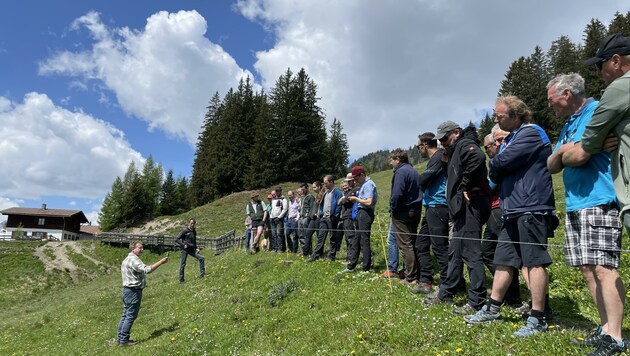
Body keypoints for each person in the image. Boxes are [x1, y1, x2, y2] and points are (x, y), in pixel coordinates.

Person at [465, 96, 556, 339]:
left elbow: (500, 162)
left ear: (516, 115)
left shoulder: (531, 132)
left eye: (500, 116)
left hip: (530, 206)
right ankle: (493, 307)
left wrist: (498, 160)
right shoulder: (513, 137)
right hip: (513, 209)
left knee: (534, 260)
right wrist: (498, 162)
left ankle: (538, 317)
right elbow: (498, 166)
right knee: (503, 259)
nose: (495, 119)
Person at [575, 35, 630, 354]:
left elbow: (592, 138)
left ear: (617, 60)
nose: (600, 74)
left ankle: (615, 335)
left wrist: (594, 140)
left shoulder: (621, 87)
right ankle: (610, 330)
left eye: (601, 65)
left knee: (603, 267)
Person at [425, 121, 491, 316]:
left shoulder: (465, 144)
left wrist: (464, 186)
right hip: (463, 207)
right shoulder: (455, 148)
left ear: (456, 132)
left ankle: (477, 300)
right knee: (455, 251)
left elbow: (477, 157)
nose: (443, 142)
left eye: (445, 138)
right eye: (441, 140)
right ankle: (446, 292)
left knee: (471, 252)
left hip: (473, 202)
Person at [480, 126, 522, 308]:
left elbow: (493, 183)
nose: (487, 150)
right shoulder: (497, 161)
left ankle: (513, 296)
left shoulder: (502, 160)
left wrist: (481, 189)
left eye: (488, 147)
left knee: (506, 255)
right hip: (494, 209)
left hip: (500, 209)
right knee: (488, 252)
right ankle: (506, 291)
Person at [414, 132, 449, 295]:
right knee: (421, 244)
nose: (418, 150)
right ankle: (426, 281)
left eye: (418, 146)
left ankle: (447, 284)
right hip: (430, 205)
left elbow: (423, 181)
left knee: (439, 247)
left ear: (425, 145)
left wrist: (423, 180)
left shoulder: (439, 156)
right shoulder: (436, 158)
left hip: (438, 205)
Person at [117, 241, 168, 346]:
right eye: (140, 248)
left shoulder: (126, 259)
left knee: (125, 314)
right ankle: (124, 341)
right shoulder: (133, 260)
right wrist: (161, 262)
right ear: (133, 249)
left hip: (126, 290)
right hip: (133, 291)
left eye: (142, 248)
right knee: (130, 316)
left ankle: (120, 338)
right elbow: (147, 270)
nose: (142, 250)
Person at [387, 149, 422, 285]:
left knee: (405, 244)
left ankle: (411, 277)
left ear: (397, 159)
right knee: (412, 242)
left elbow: (397, 194)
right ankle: (415, 273)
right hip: (416, 210)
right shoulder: (413, 171)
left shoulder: (401, 172)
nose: (391, 163)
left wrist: (393, 208)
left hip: (402, 212)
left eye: (391, 160)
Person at [340, 165, 378, 273]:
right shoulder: (363, 185)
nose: (355, 181)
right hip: (361, 213)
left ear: (362, 175)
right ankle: (351, 265)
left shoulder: (368, 185)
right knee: (356, 239)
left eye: (356, 178)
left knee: (364, 240)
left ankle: (366, 267)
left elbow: (369, 202)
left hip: (366, 213)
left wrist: (356, 199)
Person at [307, 175, 342, 262]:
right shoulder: (326, 193)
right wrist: (321, 213)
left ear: (331, 182)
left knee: (332, 237)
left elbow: (339, 205)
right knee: (321, 237)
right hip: (324, 218)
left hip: (331, 218)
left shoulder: (337, 192)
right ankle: (315, 255)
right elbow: (321, 205)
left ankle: (331, 256)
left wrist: (334, 215)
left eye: (325, 183)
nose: (324, 185)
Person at [177, 218, 205, 283]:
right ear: (188, 223)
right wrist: (183, 244)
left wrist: (197, 248)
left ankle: (202, 274)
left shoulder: (194, 231)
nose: (192, 224)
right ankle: (181, 280)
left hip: (192, 250)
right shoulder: (185, 231)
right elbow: (177, 239)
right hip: (185, 250)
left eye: (193, 223)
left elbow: (194, 241)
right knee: (183, 264)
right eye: (191, 223)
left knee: (202, 258)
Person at [298, 182, 317, 256]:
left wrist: (309, 217)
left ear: (307, 188)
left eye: (303, 189)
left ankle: (309, 251)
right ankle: (303, 250)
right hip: (301, 218)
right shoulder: (302, 198)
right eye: (301, 189)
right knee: (301, 235)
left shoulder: (310, 197)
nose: (302, 190)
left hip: (306, 218)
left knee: (307, 235)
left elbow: (312, 207)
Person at [269, 187, 289, 252]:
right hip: (272, 218)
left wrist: (279, 217)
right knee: (273, 234)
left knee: (279, 234)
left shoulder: (283, 199)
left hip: (279, 219)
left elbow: (285, 209)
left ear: (280, 191)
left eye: (278, 191)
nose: (277, 192)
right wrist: (270, 215)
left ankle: (281, 249)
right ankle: (275, 248)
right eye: (276, 191)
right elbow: (271, 208)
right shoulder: (273, 199)